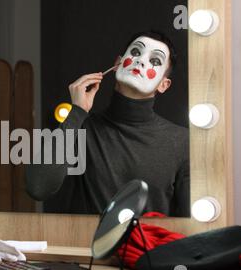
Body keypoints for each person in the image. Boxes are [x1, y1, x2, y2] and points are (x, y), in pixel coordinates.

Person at [26, 31, 190, 217]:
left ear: (164, 85)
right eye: (136, 52)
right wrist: (77, 112)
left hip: (150, 246)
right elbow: (38, 188)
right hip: (86, 245)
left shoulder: (182, 142)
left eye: (155, 61)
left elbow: (191, 227)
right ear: (117, 63)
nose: (141, 61)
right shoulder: (81, 128)